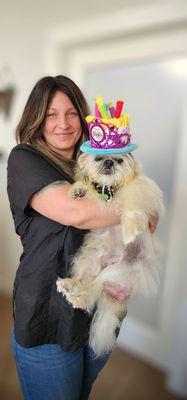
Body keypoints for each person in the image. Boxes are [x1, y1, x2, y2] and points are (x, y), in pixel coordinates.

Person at [7, 75, 158, 400]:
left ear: (83, 117)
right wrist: (136, 208)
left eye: (71, 113)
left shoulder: (94, 157)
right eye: (51, 114)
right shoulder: (25, 159)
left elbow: (150, 216)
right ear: (36, 118)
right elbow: (79, 213)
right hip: (48, 310)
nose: (63, 123)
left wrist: (142, 208)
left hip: (100, 300)